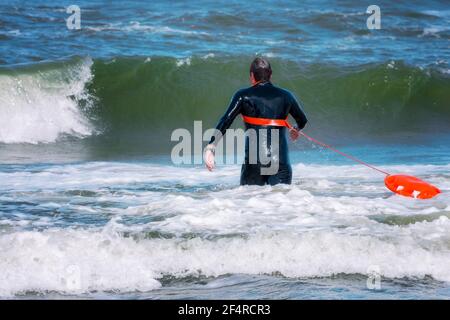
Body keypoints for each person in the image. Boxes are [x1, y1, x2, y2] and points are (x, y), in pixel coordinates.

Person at [204, 57, 307, 185]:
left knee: (250, 201)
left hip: (254, 162)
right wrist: (296, 129)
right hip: (279, 161)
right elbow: (302, 120)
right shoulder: (286, 95)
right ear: (271, 75)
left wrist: (211, 146)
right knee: (281, 200)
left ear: (252, 76)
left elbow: (226, 120)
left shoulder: (243, 95)